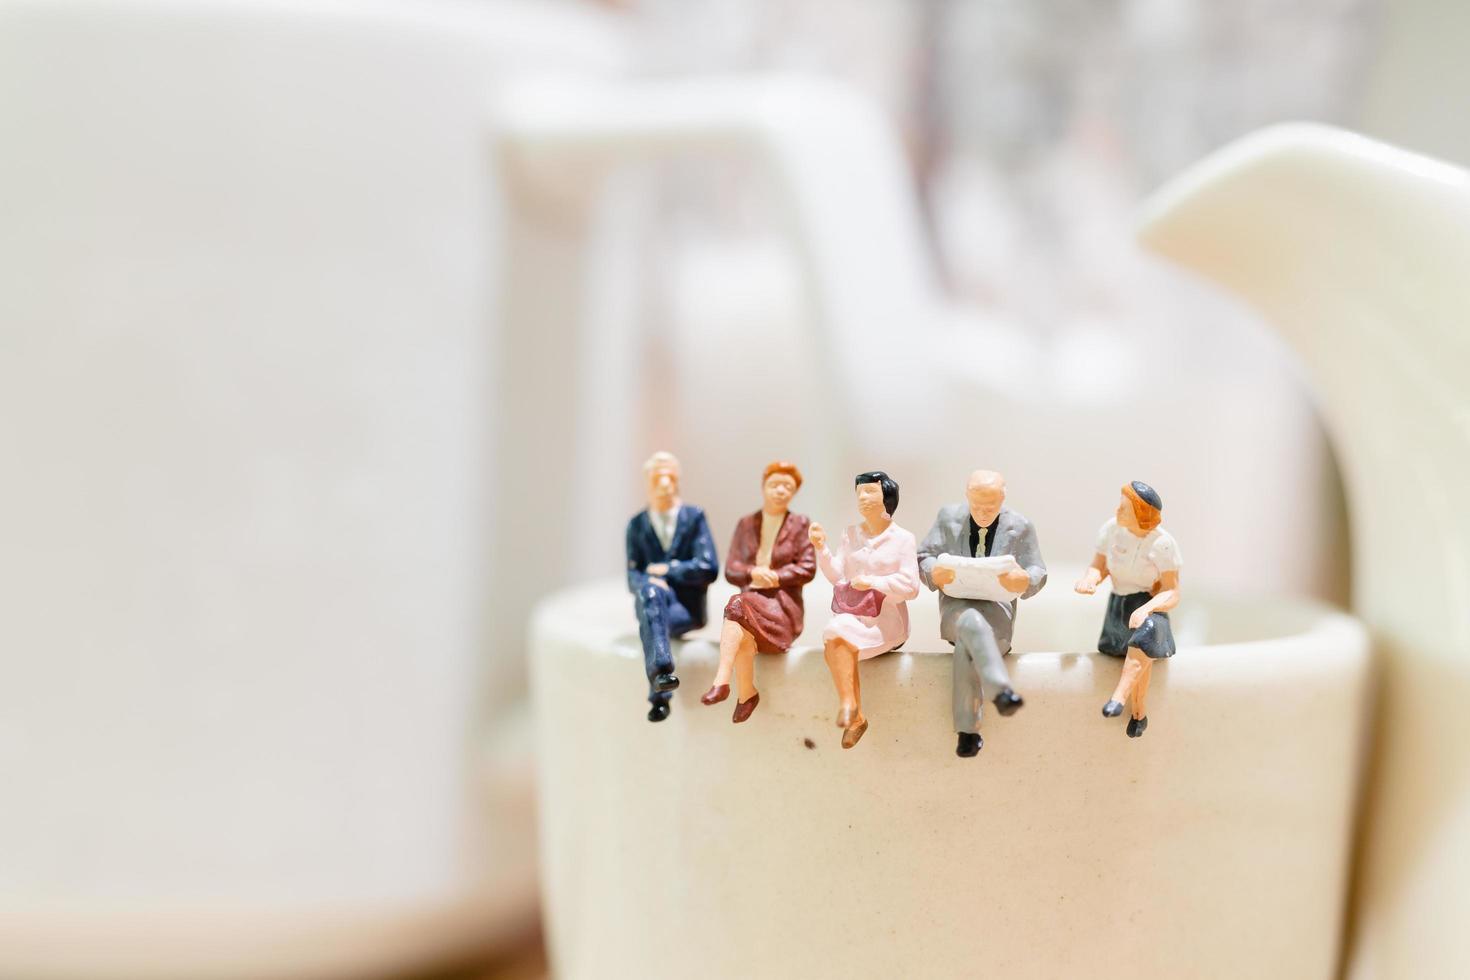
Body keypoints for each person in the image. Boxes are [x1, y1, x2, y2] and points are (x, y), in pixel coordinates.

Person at [918, 470, 1047, 758]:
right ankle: (1000, 690)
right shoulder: (948, 518)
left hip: (997, 617)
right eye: (977, 506)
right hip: (956, 609)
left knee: (968, 645)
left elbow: (1038, 570)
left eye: (990, 507)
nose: (983, 513)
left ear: (1003, 498)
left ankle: (968, 733)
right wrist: (934, 571)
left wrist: (1023, 580)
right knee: (971, 622)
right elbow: (923, 556)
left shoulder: (1021, 525)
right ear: (967, 496)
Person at [811, 471, 920, 749]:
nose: (863, 499)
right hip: (852, 615)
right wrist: (821, 549)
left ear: (887, 497)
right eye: (859, 493)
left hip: (886, 621)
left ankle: (854, 712)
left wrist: (874, 582)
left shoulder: (903, 538)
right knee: (833, 631)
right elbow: (838, 575)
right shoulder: (850, 534)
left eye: (870, 493)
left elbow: (911, 586)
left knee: (836, 639)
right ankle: (852, 710)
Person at [701, 461, 816, 723]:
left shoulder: (800, 524)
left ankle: (722, 681)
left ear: (795, 492)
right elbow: (731, 568)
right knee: (739, 630)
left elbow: (808, 568)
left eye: (787, 486)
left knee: (736, 605)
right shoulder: (746, 524)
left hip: (781, 607)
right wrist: (752, 573)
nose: (780, 491)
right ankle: (746, 694)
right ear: (763, 487)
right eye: (775, 484)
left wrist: (775, 576)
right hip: (748, 602)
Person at [1074, 481, 1182, 738]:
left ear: (1141, 514)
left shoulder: (1163, 544)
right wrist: (1090, 579)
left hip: (1146, 605)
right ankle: (1139, 714)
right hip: (1118, 604)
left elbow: (1172, 591)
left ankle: (1119, 697)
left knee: (1143, 639)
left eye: (1125, 509)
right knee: (1138, 655)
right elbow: (1099, 566)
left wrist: (1148, 608)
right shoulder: (1111, 531)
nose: (1117, 511)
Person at [625, 451, 718, 722]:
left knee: (651, 614)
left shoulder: (693, 517)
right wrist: (651, 583)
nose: (665, 485)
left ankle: (659, 692)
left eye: (670, 478)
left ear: (677, 481)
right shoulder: (637, 525)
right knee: (650, 594)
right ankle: (662, 676)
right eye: (658, 479)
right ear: (649, 483)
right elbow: (633, 577)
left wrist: (669, 570)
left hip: (685, 610)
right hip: (652, 603)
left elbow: (708, 567)